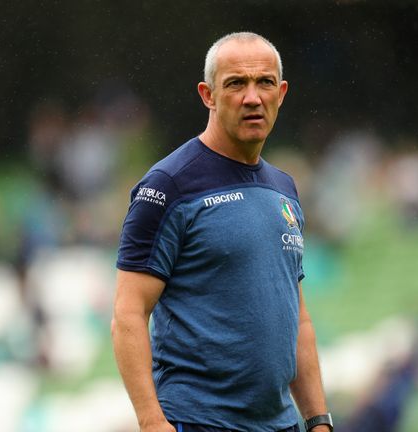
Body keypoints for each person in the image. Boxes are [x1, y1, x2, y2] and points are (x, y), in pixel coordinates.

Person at [111, 32, 333, 432]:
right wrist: (151, 423)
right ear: (208, 95)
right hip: (199, 421)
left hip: (280, 424)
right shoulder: (167, 186)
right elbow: (129, 313)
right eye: (236, 83)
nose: (252, 97)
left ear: (281, 93)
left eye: (264, 82)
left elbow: (297, 319)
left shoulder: (284, 189)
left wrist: (318, 420)